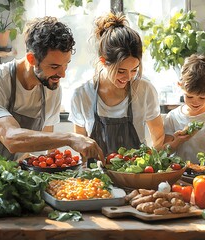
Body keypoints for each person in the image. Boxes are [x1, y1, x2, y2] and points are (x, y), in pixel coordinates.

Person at [0, 16, 104, 162]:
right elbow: (11, 138)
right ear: (31, 59)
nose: (62, 74)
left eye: (66, 65)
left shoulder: (51, 87)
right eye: (54, 66)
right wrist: (70, 138)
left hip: (22, 175)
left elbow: (49, 144)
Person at [68, 12, 165, 159]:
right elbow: (80, 145)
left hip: (135, 177)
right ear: (103, 61)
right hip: (96, 178)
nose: (128, 77)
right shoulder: (82, 95)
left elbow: (158, 137)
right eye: (121, 71)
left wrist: (145, 164)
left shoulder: (145, 90)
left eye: (134, 69)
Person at [163, 54, 205, 163]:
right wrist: (177, 141)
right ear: (180, 85)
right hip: (182, 173)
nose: (195, 102)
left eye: (202, 97)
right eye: (189, 96)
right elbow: (165, 151)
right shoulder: (173, 117)